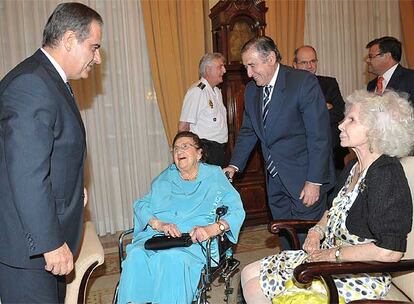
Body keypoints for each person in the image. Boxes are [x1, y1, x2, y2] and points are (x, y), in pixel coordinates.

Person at [240, 90, 414, 304]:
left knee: (256, 288)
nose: (340, 125)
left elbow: (390, 251)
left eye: (351, 120)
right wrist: (316, 231)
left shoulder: (386, 174)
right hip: (331, 259)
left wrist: (333, 255)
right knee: (248, 272)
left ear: (375, 130)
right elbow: (332, 210)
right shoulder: (353, 167)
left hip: (361, 272)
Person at [0, 3, 102, 303]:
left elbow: (50, 154)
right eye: (94, 47)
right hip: (28, 254)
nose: (98, 58)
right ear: (70, 40)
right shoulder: (32, 84)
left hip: (41, 245)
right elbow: (27, 175)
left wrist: (73, 189)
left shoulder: (49, 79)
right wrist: (50, 243)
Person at [224, 36, 335, 249]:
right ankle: (288, 278)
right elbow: (249, 131)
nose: (248, 73)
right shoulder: (251, 90)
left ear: (271, 58)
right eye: (246, 66)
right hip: (275, 181)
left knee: (307, 242)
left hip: (305, 179)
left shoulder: (302, 82)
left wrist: (314, 181)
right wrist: (234, 165)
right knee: (285, 237)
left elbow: (319, 135)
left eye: (252, 65)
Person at [117, 131, 245, 304]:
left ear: (199, 154)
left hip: (193, 241)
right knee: (135, 256)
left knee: (171, 259)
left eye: (185, 146)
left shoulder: (214, 176)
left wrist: (211, 229)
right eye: (175, 148)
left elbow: (237, 210)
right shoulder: (164, 178)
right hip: (158, 238)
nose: (179, 151)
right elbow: (141, 205)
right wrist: (159, 224)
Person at [293, 45, 348, 172]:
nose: (310, 66)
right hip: (301, 150)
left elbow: (340, 112)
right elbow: (290, 118)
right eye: (304, 62)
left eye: (313, 61)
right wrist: (322, 109)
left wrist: (306, 114)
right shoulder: (288, 89)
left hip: (331, 149)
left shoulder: (329, 83)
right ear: (295, 65)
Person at [179, 53, 228, 167]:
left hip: (219, 150)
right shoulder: (197, 91)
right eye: (220, 67)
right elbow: (183, 127)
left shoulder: (217, 92)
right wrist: (189, 154)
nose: (224, 70)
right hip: (205, 151)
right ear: (208, 69)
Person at [366, 36, 414, 103]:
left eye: (371, 56)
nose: (367, 60)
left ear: (387, 56)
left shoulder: (411, 79)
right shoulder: (371, 85)